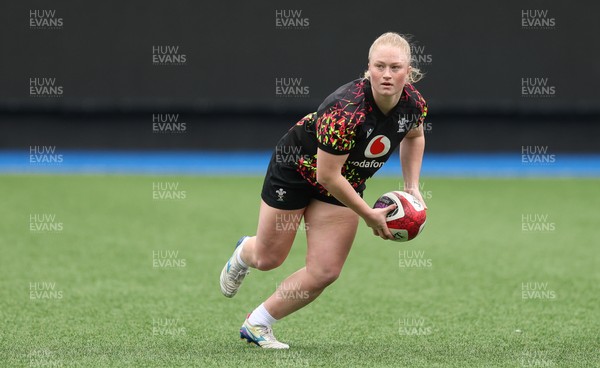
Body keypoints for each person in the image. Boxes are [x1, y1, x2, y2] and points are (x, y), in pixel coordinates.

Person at [220, 32, 428, 349]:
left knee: (326, 270)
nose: (387, 75)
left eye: (395, 67)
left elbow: (414, 136)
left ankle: (258, 323)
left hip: (346, 180)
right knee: (269, 258)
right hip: (298, 170)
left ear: (408, 70)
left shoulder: (413, 104)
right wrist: (369, 215)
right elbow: (327, 175)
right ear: (368, 68)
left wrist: (412, 186)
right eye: (379, 66)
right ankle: (245, 251)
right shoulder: (346, 111)